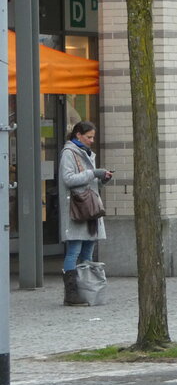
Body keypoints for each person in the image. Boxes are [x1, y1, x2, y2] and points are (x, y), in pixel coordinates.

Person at [58, 121, 113, 306]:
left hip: (90, 209)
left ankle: (87, 290)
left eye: (93, 137)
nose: (91, 141)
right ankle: (71, 294)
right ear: (78, 135)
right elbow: (68, 179)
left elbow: (89, 181)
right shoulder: (69, 153)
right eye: (89, 137)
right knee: (74, 250)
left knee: (89, 249)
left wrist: (102, 178)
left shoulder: (86, 153)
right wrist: (93, 173)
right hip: (78, 210)